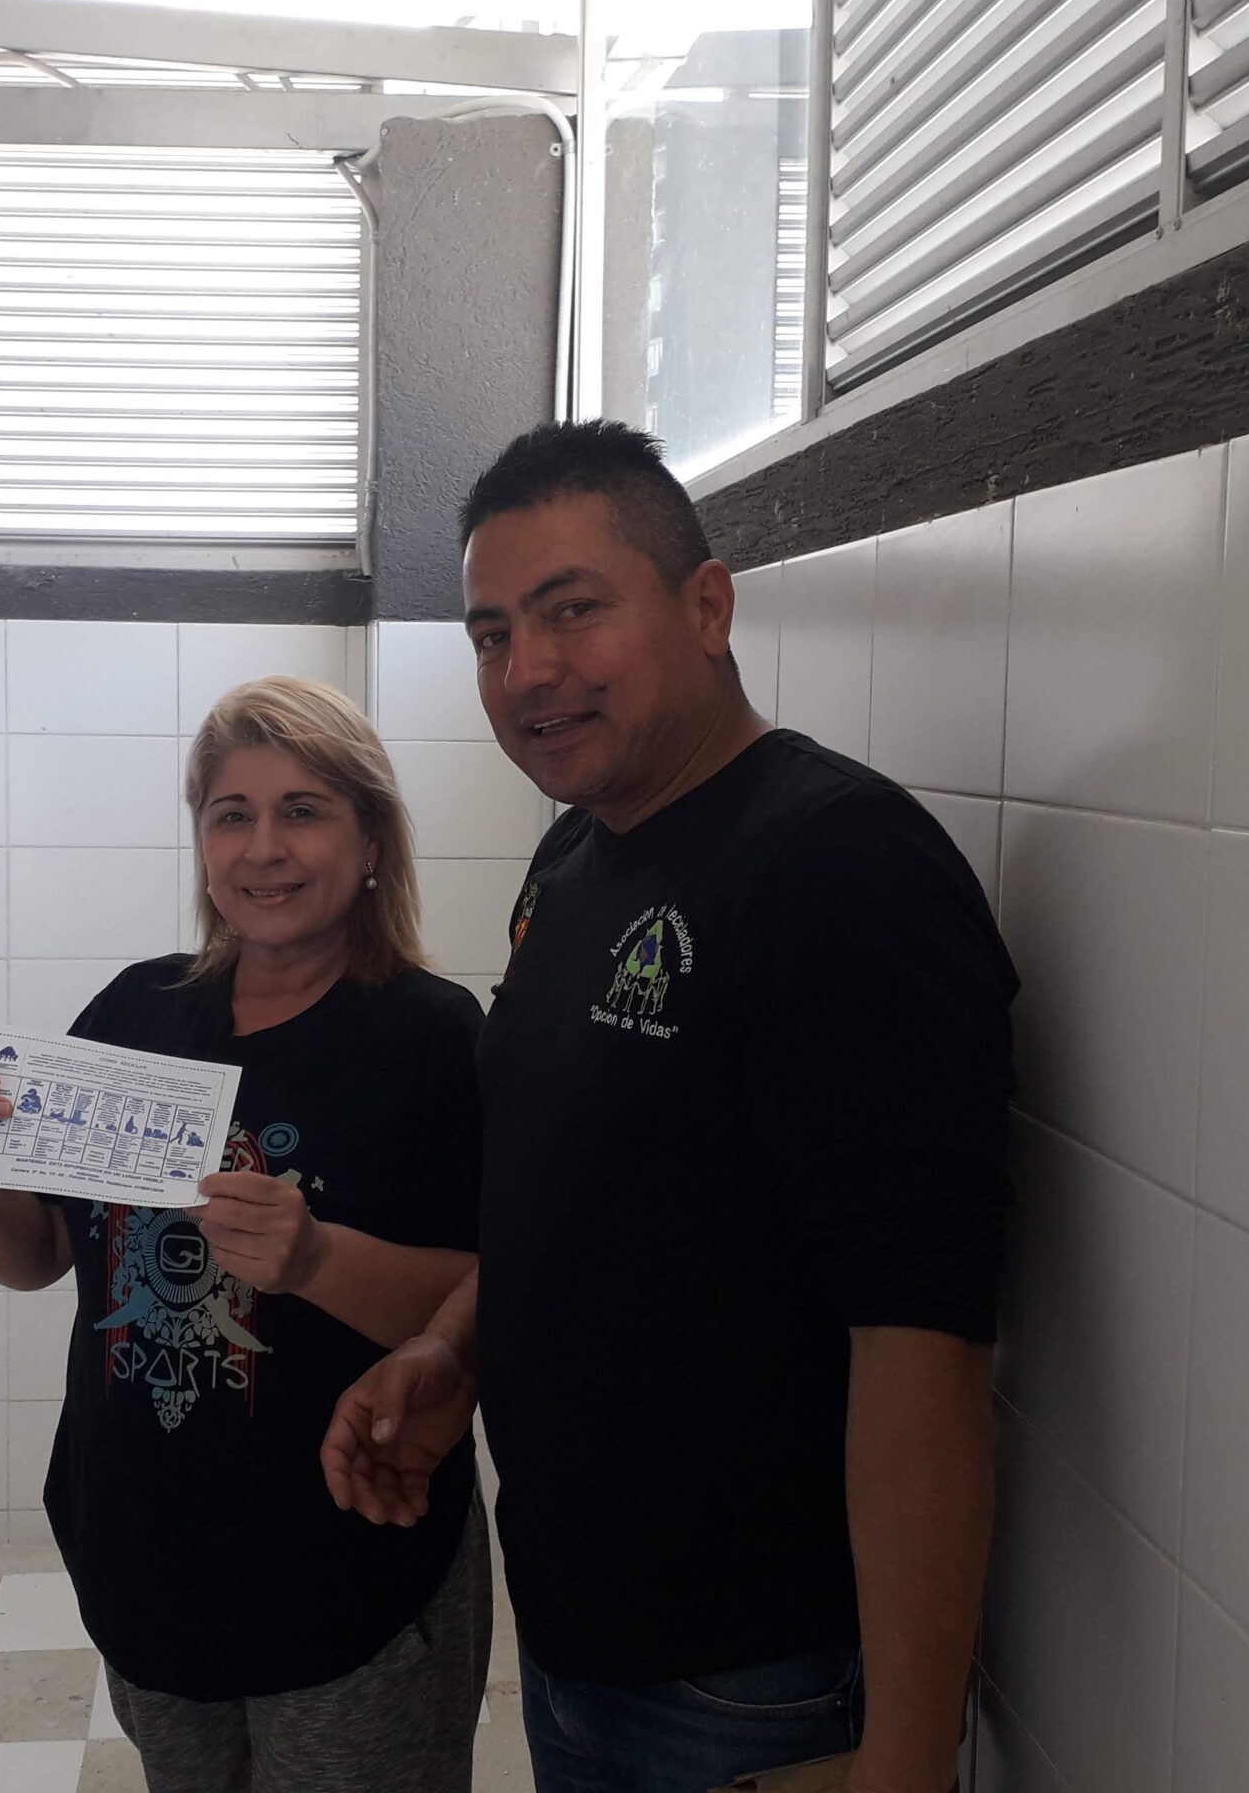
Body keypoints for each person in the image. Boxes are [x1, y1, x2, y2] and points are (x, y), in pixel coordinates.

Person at [322, 422, 1018, 1793]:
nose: (527, 670)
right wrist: (455, 1350)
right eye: (490, 634)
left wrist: (902, 1757)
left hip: (755, 1681)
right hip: (581, 1642)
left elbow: (923, 1340)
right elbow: (585, 1200)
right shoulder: (575, 858)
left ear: (707, 607)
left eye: (572, 610)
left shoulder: (839, 868)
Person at [0, 676, 492, 1793]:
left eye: (303, 811)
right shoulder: (140, 1009)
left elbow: (495, 1295)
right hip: (148, 1563)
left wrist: (316, 1261)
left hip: (350, 1565)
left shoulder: (433, 1037)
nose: (263, 848)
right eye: (232, 815)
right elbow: (39, 1257)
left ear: (371, 838)